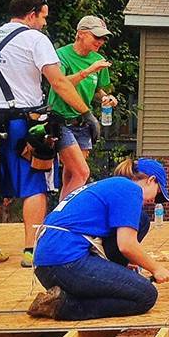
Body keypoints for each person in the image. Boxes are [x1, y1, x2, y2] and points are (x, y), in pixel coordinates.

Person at [0, 0, 96, 268]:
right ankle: (31, 250)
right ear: (32, 14)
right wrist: (87, 113)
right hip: (24, 124)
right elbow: (59, 83)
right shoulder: (36, 40)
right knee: (33, 183)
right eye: (43, 17)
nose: (44, 23)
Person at [27, 157, 169, 320]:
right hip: (66, 263)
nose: (153, 202)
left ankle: (77, 291)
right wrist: (156, 269)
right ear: (151, 180)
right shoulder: (131, 189)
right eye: (158, 194)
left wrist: (120, 270)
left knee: (141, 219)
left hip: (47, 266)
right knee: (145, 295)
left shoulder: (111, 185)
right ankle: (64, 306)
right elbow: (126, 245)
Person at [48, 15, 118, 200]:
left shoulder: (98, 60)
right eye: (96, 37)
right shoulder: (61, 55)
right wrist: (87, 71)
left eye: (103, 38)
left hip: (83, 123)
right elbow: (60, 83)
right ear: (80, 34)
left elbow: (97, 89)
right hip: (62, 120)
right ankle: (65, 216)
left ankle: (61, 218)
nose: (101, 42)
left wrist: (106, 98)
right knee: (82, 172)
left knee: (71, 174)